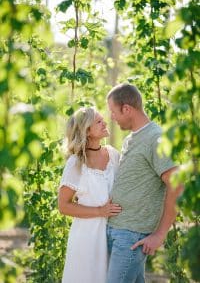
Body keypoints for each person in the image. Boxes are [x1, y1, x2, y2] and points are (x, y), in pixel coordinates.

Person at [106, 84, 183, 283]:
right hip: (118, 231)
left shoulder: (155, 138)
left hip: (132, 237)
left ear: (126, 109)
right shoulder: (131, 139)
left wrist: (160, 234)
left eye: (113, 112)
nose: (111, 118)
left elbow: (177, 184)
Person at [58, 107, 122, 283]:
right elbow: (63, 206)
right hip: (87, 238)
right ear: (87, 131)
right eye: (99, 121)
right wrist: (100, 211)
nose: (105, 123)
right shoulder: (76, 162)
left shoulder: (113, 154)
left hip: (115, 234)